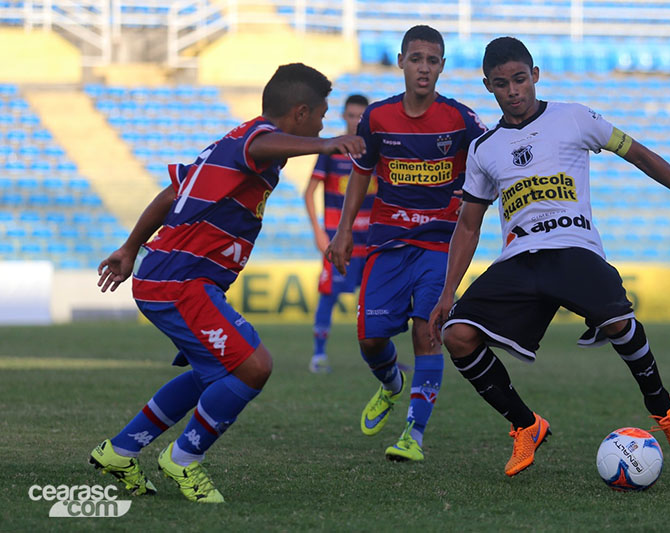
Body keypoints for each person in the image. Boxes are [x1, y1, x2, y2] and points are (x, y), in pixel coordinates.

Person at [428, 37, 670, 477]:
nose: (514, 91)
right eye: (502, 84)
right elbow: (468, 224)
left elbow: (640, 155)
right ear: (488, 86)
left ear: (535, 75)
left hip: (574, 247)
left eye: (520, 79)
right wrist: (448, 292)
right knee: (457, 335)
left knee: (618, 320)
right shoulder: (484, 148)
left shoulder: (574, 117)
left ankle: (663, 408)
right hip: (520, 258)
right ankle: (526, 426)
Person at [89, 63, 366, 502]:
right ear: (300, 114)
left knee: (210, 374)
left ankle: (120, 451)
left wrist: (129, 248)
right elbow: (266, 143)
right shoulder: (253, 141)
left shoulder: (230, 144)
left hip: (174, 276)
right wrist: (327, 144)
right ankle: (182, 459)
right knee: (255, 366)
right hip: (179, 281)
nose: (324, 123)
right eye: (322, 115)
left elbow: (169, 194)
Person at [327, 25, 487, 462]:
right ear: (401, 61)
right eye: (416, 58)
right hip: (388, 242)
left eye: (432, 61)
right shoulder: (377, 117)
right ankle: (391, 383)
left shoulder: (460, 119)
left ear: (442, 67)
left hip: (441, 242)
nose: (424, 68)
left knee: (427, 330)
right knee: (369, 339)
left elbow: (492, 156)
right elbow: (362, 171)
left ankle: (413, 435)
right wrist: (343, 232)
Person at [304, 94, 377, 374]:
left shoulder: (375, 150)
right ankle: (318, 355)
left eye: (361, 116)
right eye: (351, 115)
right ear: (343, 116)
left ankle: (381, 359)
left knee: (375, 300)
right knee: (329, 295)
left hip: (370, 241)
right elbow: (309, 192)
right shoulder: (333, 150)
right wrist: (318, 232)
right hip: (338, 238)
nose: (355, 121)